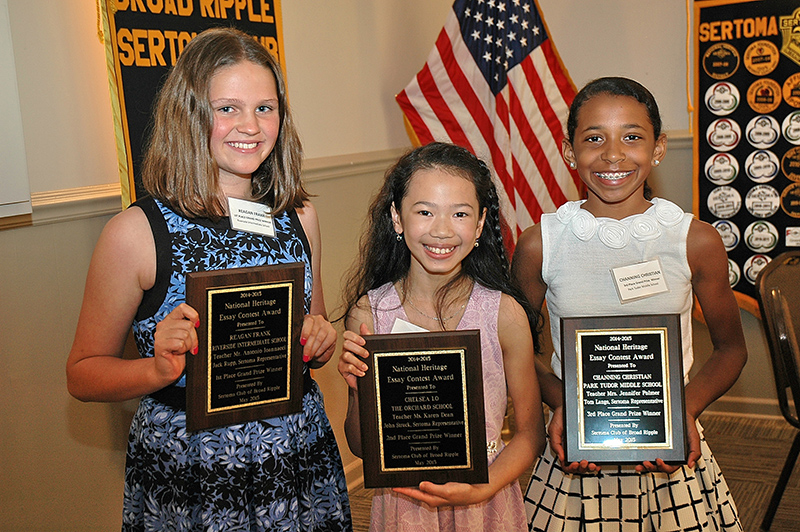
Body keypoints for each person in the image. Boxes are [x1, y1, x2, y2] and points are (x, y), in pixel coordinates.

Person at [66, 27, 351, 531]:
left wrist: (321, 338)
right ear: (190, 114)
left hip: (295, 459)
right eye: (228, 108)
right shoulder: (137, 233)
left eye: (265, 108)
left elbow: (315, 328)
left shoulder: (298, 216)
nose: (251, 125)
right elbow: (83, 373)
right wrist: (157, 368)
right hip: (194, 472)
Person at [513, 77, 747, 531]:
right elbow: (524, 352)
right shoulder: (541, 244)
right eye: (594, 138)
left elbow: (731, 349)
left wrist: (685, 411)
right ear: (568, 151)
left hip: (669, 455)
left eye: (632, 137)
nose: (613, 154)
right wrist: (564, 406)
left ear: (658, 148)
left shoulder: (694, 240)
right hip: (575, 455)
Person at [338, 142, 546, 531]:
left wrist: (483, 488)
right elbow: (362, 447)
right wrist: (355, 389)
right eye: (425, 211)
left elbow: (530, 434)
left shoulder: (503, 314)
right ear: (397, 218)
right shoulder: (370, 315)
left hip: (486, 498)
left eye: (460, 213)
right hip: (404, 504)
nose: (442, 230)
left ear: (481, 224)